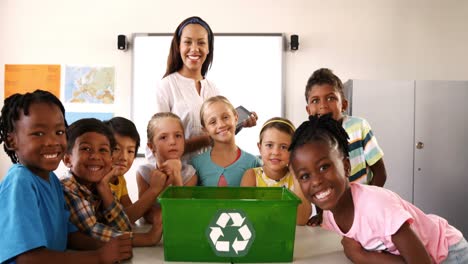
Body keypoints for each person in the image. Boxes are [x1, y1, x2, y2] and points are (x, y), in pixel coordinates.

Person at [289, 114, 468, 264]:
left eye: (323, 167)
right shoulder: (330, 215)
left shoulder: (377, 207)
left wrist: (363, 257)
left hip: (449, 252)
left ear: (346, 166)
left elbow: (423, 262)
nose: (316, 181)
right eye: (305, 176)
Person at [0, 90, 131, 263]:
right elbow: (28, 258)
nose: (52, 142)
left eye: (59, 132)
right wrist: (99, 256)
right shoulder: (20, 182)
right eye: (38, 133)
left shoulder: (52, 180)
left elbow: (69, 235)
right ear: (12, 142)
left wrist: (103, 246)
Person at [154, 16, 257, 163]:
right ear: (178, 46)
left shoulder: (212, 88)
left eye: (201, 42)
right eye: (188, 42)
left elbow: (216, 137)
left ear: (208, 48)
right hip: (179, 176)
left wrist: (237, 125)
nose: (194, 49)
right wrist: (206, 139)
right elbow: (160, 145)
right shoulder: (166, 86)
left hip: (209, 172)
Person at [61, 118, 164, 247]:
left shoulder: (98, 183)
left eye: (103, 150)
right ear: (67, 159)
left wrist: (104, 188)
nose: (96, 156)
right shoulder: (68, 188)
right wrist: (147, 238)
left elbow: (123, 226)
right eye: (86, 148)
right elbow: (92, 232)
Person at [304, 68, 388, 225]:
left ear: (343, 105)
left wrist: (368, 204)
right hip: (333, 213)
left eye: (330, 98)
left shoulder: (359, 127)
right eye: (315, 100)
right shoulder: (310, 139)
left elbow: (380, 173)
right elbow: (316, 182)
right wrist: (321, 214)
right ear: (308, 110)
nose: (323, 106)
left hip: (365, 209)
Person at [240, 117, 312, 225]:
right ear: (259, 147)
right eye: (269, 145)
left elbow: (301, 220)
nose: (276, 152)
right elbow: (245, 215)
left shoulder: (298, 178)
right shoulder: (251, 176)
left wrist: (297, 175)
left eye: (283, 147)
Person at [104, 117, 167, 224]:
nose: (124, 157)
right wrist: (154, 189)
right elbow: (127, 218)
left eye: (130, 151)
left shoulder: (119, 179)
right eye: (116, 149)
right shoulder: (100, 181)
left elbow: (130, 210)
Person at [136, 112, 197, 223]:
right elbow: (145, 213)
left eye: (178, 136)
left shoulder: (190, 174)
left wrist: (176, 175)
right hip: (147, 231)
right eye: (163, 137)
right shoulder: (144, 173)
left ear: (184, 141)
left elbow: (183, 214)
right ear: (151, 146)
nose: (173, 142)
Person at [192, 96, 261, 186]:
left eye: (225, 117)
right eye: (213, 122)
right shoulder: (196, 164)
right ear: (205, 129)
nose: (221, 125)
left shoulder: (253, 162)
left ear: (236, 118)